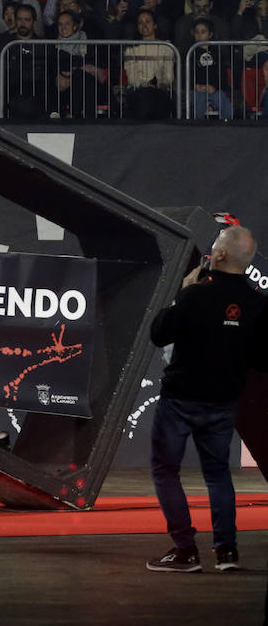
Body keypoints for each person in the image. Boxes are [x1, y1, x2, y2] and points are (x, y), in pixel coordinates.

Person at [145, 224, 266, 574]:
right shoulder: (259, 303)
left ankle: (185, 550)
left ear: (222, 254)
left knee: (165, 471)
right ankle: (227, 552)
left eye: (214, 247)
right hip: (223, 401)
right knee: (217, 475)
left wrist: (183, 292)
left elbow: (158, 333)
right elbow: (262, 359)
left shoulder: (195, 294)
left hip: (180, 400)